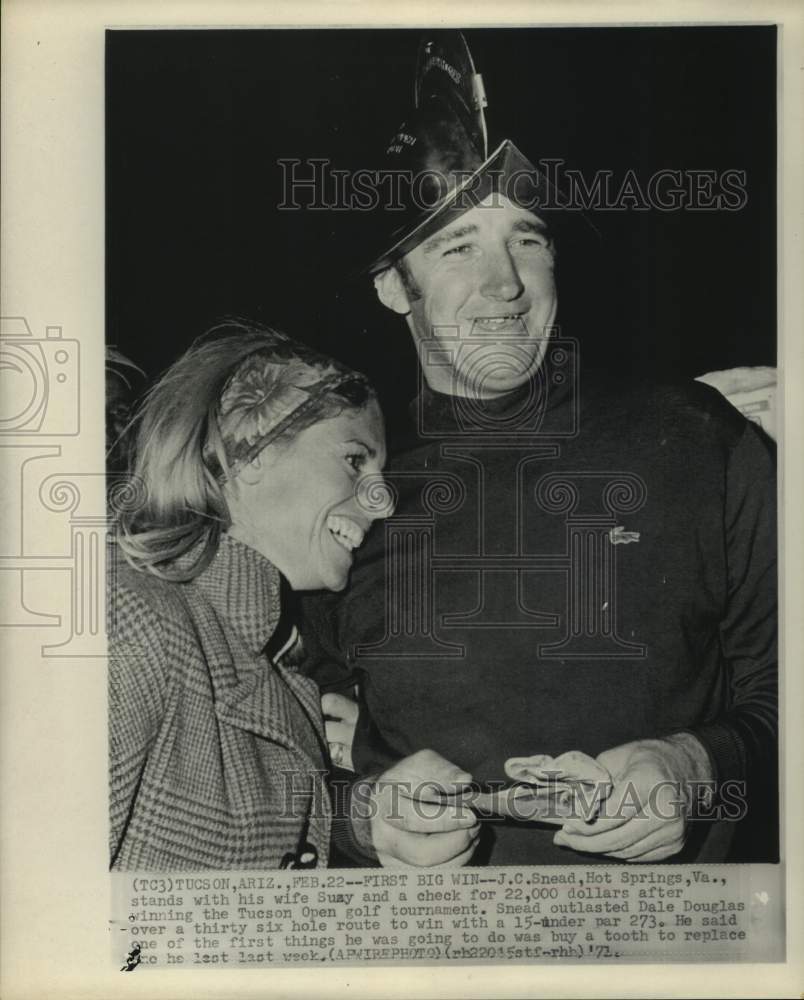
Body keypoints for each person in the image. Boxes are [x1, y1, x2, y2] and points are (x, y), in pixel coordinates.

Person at [303, 32, 777, 866]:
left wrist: (698, 765)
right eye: (458, 248)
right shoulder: (336, 488)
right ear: (391, 287)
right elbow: (265, 753)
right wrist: (361, 817)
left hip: (682, 949)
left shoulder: (697, 438)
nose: (506, 284)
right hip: (426, 955)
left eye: (528, 239)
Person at [109, 320, 480, 870]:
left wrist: (370, 817)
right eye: (355, 459)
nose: (383, 503)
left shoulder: (271, 662)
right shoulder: (129, 616)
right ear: (251, 452)